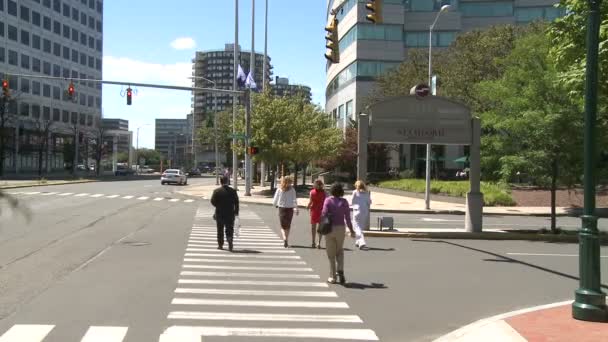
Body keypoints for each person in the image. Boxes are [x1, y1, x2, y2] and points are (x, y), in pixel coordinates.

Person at [321, 183, 355, 284]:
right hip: (341, 228)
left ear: (331, 191)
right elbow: (348, 218)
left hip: (330, 228)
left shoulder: (328, 200)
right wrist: (351, 230)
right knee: (339, 250)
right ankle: (341, 270)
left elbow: (324, 213)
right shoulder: (344, 202)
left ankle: (332, 276)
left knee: (331, 254)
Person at [210, 176, 239, 251]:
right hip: (230, 213)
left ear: (221, 182)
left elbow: (212, 201)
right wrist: (236, 212)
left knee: (220, 229)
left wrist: (218, 206)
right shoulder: (233, 191)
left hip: (219, 213)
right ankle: (230, 241)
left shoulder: (216, 191)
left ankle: (220, 244)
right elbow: (236, 202)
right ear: (227, 181)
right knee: (229, 228)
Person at [272, 176, 298, 248]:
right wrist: (296, 208)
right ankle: (287, 239)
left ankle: (284, 238)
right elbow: (294, 200)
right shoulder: (292, 190)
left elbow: (275, 200)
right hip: (290, 209)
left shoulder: (279, 189)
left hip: (282, 209)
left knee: (282, 226)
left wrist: (275, 205)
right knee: (288, 225)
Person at [350, 180, 371, 250]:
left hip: (357, 211)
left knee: (357, 227)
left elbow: (352, 202)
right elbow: (369, 202)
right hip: (365, 211)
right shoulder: (367, 192)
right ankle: (357, 241)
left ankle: (361, 242)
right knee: (360, 227)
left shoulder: (355, 192)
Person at [307, 179, 326, 249]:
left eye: (315, 184)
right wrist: (308, 206)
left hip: (316, 211)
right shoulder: (324, 193)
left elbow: (310, 201)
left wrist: (308, 206)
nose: (314, 185)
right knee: (317, 227)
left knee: (315, 227)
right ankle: (316, 242)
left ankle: (315, 242)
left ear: (319, 185)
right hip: (319, 211)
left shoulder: (312, 192)